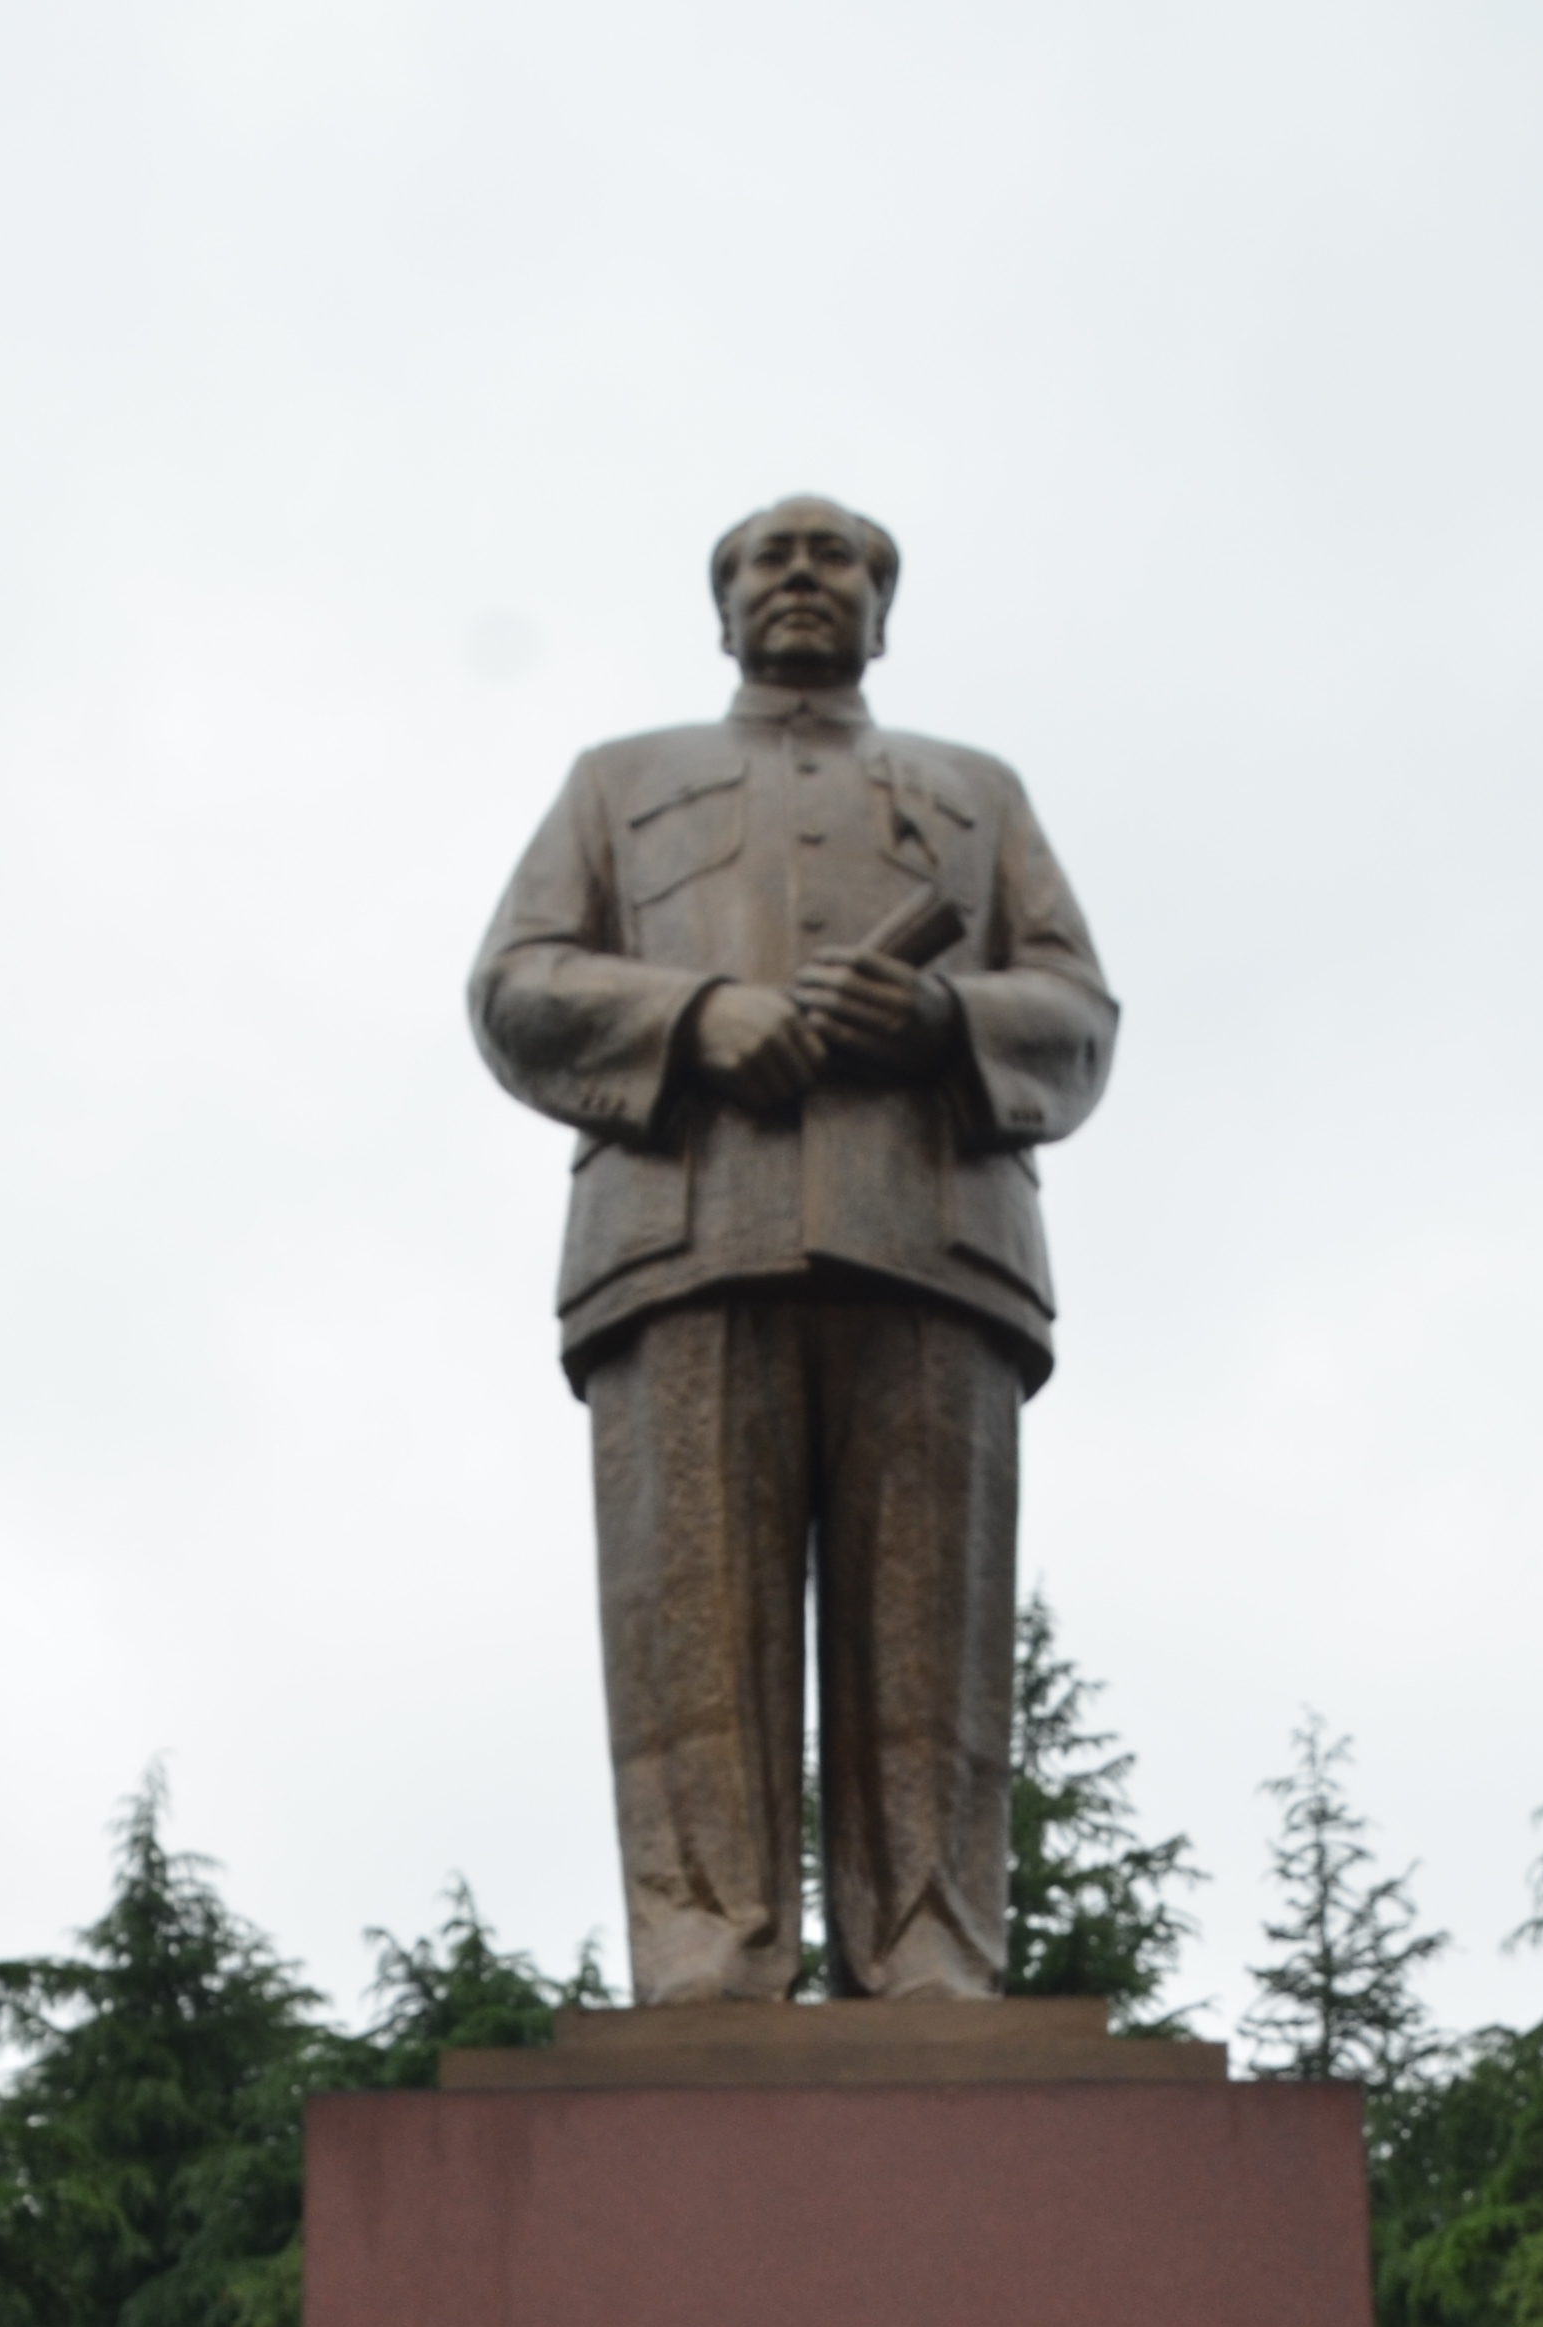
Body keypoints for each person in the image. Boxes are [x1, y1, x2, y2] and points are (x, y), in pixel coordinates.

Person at [468, 493, 1118, 2005]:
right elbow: (515, 982)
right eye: (773, 557)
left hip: (935, 1243)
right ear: (726, 607)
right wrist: (698, 1018)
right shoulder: (618, 782)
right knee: (688, 1630)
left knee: (931, 1645)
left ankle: (933, 1955)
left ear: (884, 611)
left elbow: (1080, 1014)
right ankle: (707, 1958)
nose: (806, 577)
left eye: (841, 560)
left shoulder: (980, 792)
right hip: (685, 1238)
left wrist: (947, 1016)